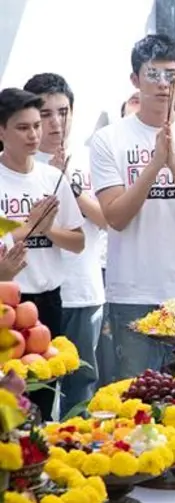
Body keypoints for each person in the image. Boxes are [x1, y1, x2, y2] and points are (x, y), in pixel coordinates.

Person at [91, 34, 175, 381]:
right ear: (135, 80)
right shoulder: (110, 139)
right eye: (154, 74)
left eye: (172, 75)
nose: (164, 85)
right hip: (132, 291)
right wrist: (154, 165)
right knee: (135, 398)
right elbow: (115, 217)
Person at [24, 73, 106, 415]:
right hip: (32, 295)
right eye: (45, 114)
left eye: (64, 111)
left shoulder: (90, 159)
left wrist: (69, 185)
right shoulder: (20, 163)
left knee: (81, 386)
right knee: (33, 387)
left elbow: (106, 219)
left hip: (84, 292)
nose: (56, 122)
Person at [0, 88, 85, 419]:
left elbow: (78, 242)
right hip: (7, 300)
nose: (34, 134)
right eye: (23, 127)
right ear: (2, 131)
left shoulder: (52, 177)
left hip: (47, 301)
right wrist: (32, 223)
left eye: (37, 125)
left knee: (42, 397)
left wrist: (48, 230)